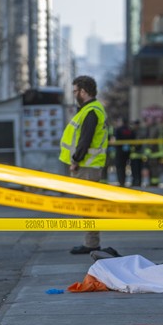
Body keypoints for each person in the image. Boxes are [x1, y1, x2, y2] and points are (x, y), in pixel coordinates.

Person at [59, 75, 108, 255]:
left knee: (88, 207)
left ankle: (92, 244)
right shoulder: (90, 110)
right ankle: (91, 242)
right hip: (88, 166)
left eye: (75, 91)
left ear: (84, 91)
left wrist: (76, 160)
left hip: (86, 167)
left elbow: (84, 140)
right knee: (87, 207)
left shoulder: (91, 111)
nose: (74, 95)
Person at [113, 117, 134, 187]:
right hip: (127, 151)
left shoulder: (119, 129)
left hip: (119, 151)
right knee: (125, 166)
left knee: (120, 167)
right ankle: (124, 181)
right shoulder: (130, 130)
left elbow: (116, 139)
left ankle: (121, 181)